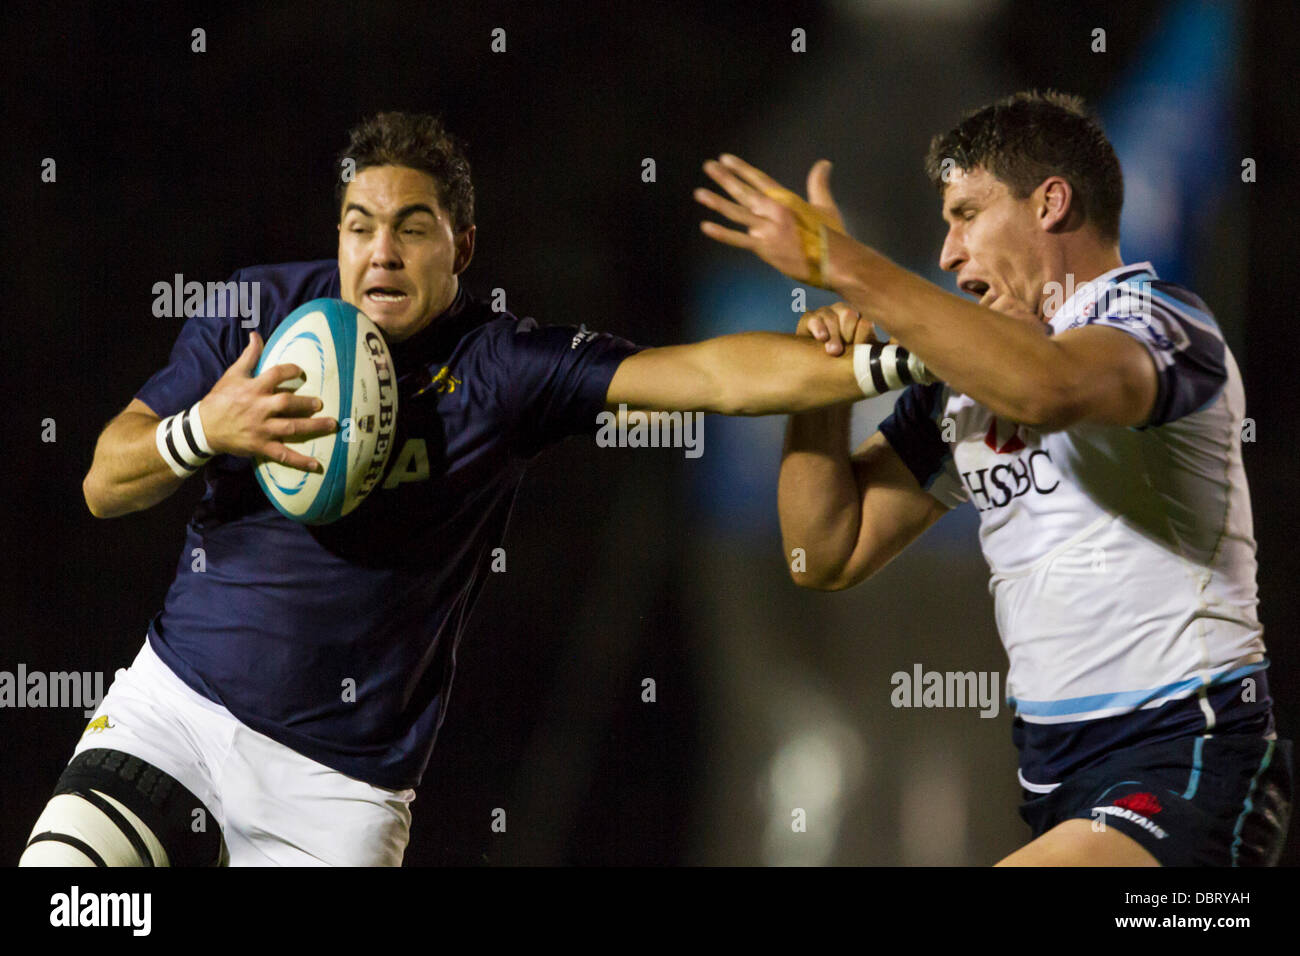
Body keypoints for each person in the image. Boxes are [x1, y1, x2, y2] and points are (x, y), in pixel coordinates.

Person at [21, 111, 890, 867]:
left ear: (461, 247)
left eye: (413, 228)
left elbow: (708, 377)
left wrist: (894, 358)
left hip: (337, 790)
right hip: (175, 714)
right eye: (359, 226)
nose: (382, 254)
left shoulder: (503, 366)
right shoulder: (258, 317)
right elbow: (105, 479)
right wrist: (206, 428)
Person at [695, 90, 1291, 866]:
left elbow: (1050, 389)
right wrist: (824, 389)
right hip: (1059, 787)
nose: (947, 253)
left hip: (1185, 766)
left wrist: (843, 261)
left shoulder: (1160, 324)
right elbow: (824, 554)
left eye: (966, 214)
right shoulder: (967, 390)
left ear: (1050, 204)